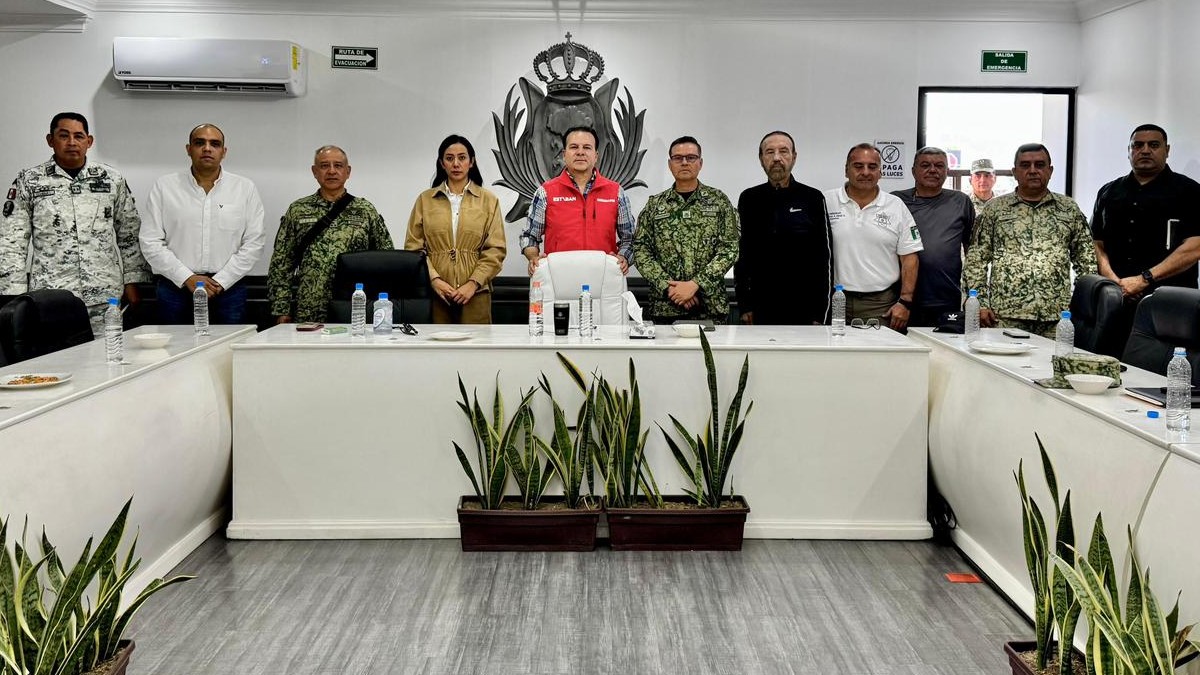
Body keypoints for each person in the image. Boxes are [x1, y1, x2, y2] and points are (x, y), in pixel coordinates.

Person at [0, 112, 149, 336]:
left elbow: (129, 234)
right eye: (64, 135)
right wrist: (13, 293)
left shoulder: (111, 179)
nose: (72, 142)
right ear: (50, 140)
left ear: (89, 141)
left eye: (79, 136)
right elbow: (12, 239)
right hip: (51, 296)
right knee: (57, 363)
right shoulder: (29, 180)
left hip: (105, 294)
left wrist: (133, 280)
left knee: (108, 360)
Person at [964, 143, 1097, 337]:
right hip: (1005, 316)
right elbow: (976, 260)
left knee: (1051, 366)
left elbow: (1086, 261)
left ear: (1050, 171)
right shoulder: (995, 209)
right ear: (1015, 172)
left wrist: (1081, 304)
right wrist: (980, 303)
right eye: (1025, 165)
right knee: (1004, 366)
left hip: (1056, 317)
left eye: (1039, 165)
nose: (1033, 171)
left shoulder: (1068, 209)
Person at [140, 123, 265, 324]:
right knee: (174, 350)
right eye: (200, 143)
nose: (207, 148)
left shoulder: (244, 188)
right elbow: (150, 241)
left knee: (227, 350)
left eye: (214, 144)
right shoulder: (165, 186)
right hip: (175, 287)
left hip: (228, 289)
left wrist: (220, 281)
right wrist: (187, 277)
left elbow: (254, 243)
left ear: (223, 152)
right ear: (188, 149)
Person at [267, 145, 393, 323]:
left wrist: (381, 308)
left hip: (355, 307)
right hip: (309, 308)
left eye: (338, 165)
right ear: (314, 171)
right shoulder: (298, 210)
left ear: (348, 171)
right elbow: (282, 263)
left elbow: (385, 259)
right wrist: (281, 309)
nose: (332, 171)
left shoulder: (365, 210)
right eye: (325, 166)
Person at [634, 136, 739, 324]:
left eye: (691, 157)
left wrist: (695, 284)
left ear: (700, 163)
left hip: (710, 307)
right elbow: (641, 250)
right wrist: (669, 288)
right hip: (666, 307)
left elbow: (730, 248)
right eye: (677, 158)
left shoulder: (718, 201)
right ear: (669, 164)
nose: (684, 162)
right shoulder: (655, 205)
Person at [404, 135, 506, 324]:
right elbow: (414, 249)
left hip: (476, 294)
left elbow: (495, 250)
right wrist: (434, 280)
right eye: (449, 158)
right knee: (436, 350)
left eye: (462, 157)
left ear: (472, 162)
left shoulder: (488, 200)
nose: (456, 164)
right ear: (442, 163)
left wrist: (473, 283)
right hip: (435, 294)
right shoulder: (425, 200)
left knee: (475, 351)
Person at [734, 130, 833, 325]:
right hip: (760, 308)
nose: (777, 158)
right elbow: (741, 255)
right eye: (769, 152)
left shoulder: (812, 198)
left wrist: (820, 313)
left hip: (804, 309)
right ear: (761, 159)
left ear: (794, 157)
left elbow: (825, 259)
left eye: (783, 151)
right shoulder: (749, 199)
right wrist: (745, 306)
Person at [825, 143, 923, 331]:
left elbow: (910, 257)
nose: (865, 172)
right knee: (834, 357)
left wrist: (905, 302)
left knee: (878, 359)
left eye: (872, 167)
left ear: (880, 172)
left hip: (880, 305)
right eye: (858, 166)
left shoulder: (896, 205)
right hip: (835, 301)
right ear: (846, 170)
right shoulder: (826, 201)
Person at [518, 126, 635, 276]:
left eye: (587, 147)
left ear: (596, 155)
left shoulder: (616, 192)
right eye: (574, 147)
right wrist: (533, 258)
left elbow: (629, 239)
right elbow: (529, 237)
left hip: (604, 276)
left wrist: (624, 257)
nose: (580, 152)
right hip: (558, 277)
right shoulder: (545, 192)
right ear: (564, 154)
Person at [893, 147, 975, 327]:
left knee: (944, 353)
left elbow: (972, 252)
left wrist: (972, 294)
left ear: (947, 171)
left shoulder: (961, 202)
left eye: (939, 166)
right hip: (901, 300)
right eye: (925, 165)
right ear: (913, 171)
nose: (932, 170)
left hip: (946, 297)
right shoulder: (896, 201)